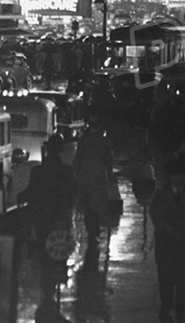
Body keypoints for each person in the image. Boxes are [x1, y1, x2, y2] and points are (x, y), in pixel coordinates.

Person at [19, 139, 78, 299]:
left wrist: (21, 197)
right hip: (60, 217)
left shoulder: (38, 171)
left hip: (42, 217)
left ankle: (47, 284)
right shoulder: (67, 171)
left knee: (44, 249)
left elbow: (30, 192)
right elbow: (73, 195)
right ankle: (56, 278)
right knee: (59, 249)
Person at [151, 156, 185, 323]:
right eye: (177, 175)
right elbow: (157, 217)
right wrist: (170, 231)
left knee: (184, 281)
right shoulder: (160, 196)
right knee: (165, 279)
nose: (181, 178)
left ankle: (181, 311)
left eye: (183, 175)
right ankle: (166, 308)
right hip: (166, 245)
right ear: (170, 177)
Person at [74, 120, 114, 247]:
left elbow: (77, 159)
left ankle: (91, 231)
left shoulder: (83, 140)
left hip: (85, 176)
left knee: (86, 206)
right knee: (96, 206)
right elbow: (109, 160)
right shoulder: (104, 141)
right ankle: (94, 231)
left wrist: (77, 175)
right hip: (99, 176)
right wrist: (110, 174)